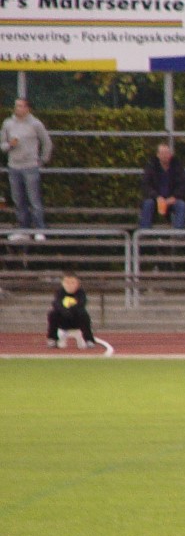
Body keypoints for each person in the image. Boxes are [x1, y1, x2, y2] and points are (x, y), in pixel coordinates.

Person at [3, 96, 52, 242]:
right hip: (14, 167)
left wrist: (42, 160)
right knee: (18, 200)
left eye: (20, 106)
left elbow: (47, 143)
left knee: (34, 200)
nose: (17, 108)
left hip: (30, 166)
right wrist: (9, 145)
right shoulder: (8, 123)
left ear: (27, 108)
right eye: (16, 106)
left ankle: (39, 230)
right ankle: (23, 230)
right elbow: (2, 145)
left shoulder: (35, 124)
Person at [138, 143, 185, 230]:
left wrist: (174, 197)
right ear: (158, 155)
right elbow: (145, 185)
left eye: (167, 153)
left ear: (171, 154)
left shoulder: (177, 166)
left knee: (181, 205)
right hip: (155, 199)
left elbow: (183, 184)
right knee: (147, 204)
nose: (165, 155)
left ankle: (178, 234)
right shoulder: (151, 166)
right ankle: (144, 233)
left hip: (172, 199)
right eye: (163, 153)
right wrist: (157, 197)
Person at [46, 271, 96, 349]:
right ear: (63, 283)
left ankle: (89, 340)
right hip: (63, 321)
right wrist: (64, 311)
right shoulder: (60, 293)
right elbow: (56, 304)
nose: (69, 285)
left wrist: (71, 310)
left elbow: (81, 303)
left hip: (76, 320)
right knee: (53, 314)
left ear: (77, 284)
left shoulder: (80, 293)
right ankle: (52, 339)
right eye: (67, 283)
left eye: (72, 283)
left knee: (83, 314)